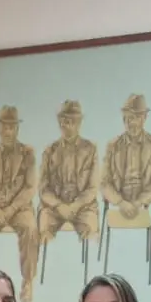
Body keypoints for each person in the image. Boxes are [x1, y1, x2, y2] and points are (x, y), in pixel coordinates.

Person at [0, 107, 39, 302]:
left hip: (18, 208)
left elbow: (30, 188)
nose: (8, 132)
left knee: (30, 228)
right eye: (5, 127)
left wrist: (11, 208)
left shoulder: (27, 153)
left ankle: (27, 281)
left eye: (12, 127)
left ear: (17, 129)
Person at [38, 101, 100, 243]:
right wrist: (59, 205)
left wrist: (75, 206)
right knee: (43, 230)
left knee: (92, 234)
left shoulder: (90, 150)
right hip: (54, 209)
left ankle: (90, 264)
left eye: (73, 121)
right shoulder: (49, 151)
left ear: (79, 123)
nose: (67, 125)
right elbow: (43, 188)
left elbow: (92, 188)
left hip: (83, 208)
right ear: (59, 122)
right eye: (64, 121)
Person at [101, 95, 151, 221]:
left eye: (136, 118)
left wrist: (138, 202)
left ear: (145, 118)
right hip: (119, 203)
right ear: (123, 119)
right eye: (128, 118)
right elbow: (104, 183)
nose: (132, 123)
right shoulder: (112, 145)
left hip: (141, 203)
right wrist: (120, 202)